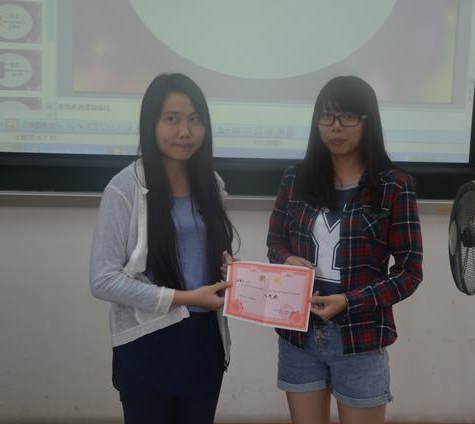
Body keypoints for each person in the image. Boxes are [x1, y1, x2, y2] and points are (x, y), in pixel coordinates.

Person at [266, 76, 423, 424]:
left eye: (348, 116)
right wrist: (286, 258)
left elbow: (409, 273)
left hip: (360, 336)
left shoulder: (394, 185)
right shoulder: (295, 179)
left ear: (368, 121)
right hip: (298, 333)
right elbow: (274, 242)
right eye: (327, 116)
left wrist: (350, 301)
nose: (336, 126)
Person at [90, 73, 236, 424]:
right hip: (148, 341)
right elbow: (103, 280)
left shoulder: (212, 183)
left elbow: (206, 253)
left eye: (195, 119)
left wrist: (230, 269)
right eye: (172, 119)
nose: (185, 131)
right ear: (151, 123)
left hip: (204, 340)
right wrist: (185, 298)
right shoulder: (125, 188)